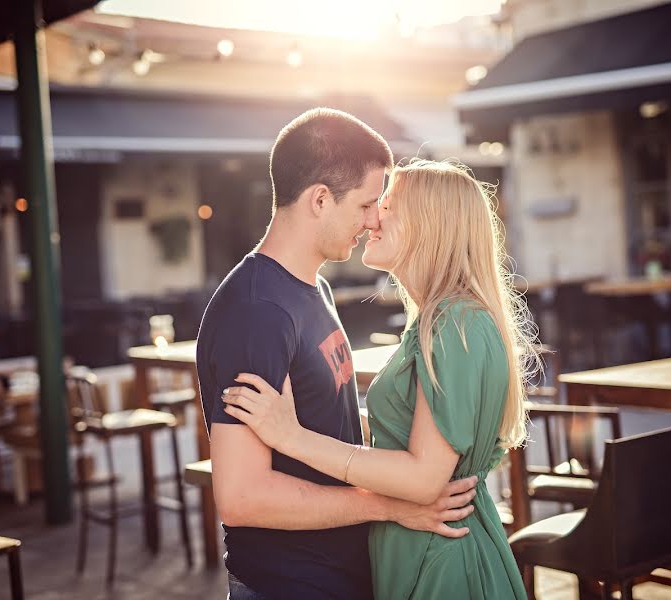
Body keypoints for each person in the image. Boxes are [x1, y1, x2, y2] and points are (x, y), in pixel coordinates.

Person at [222, 159, 538, 599]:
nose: (373, 217)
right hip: (421, 549)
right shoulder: (438, 319)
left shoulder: (455, 322)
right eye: (372, 203)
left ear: (429, 224)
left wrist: (290, 436)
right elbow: (417, 433)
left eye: (386, 204)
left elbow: (425, 479)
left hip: (440, 559)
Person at [196, 110, 479, 600]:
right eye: (368, 204)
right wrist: (388, 504)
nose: (375, 220)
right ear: (320, 199)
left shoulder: (313, 289)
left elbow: (328, 423)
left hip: (340, 576)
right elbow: (242, 498)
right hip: (289, 585)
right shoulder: (257, 311)